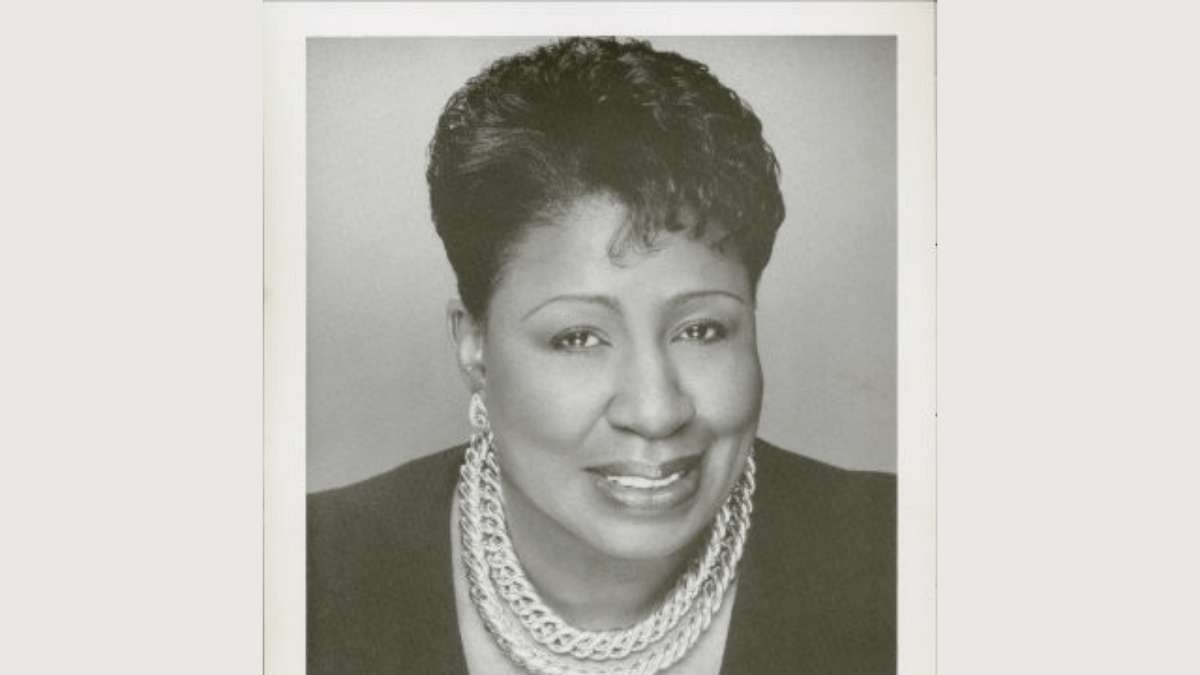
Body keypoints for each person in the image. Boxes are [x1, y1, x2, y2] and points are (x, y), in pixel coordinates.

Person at [308, 37, 895, 675]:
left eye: (701, 330)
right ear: (474, 343)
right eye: (578, 338)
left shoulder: (898, 555)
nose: (655, 411)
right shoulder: (308, 570)